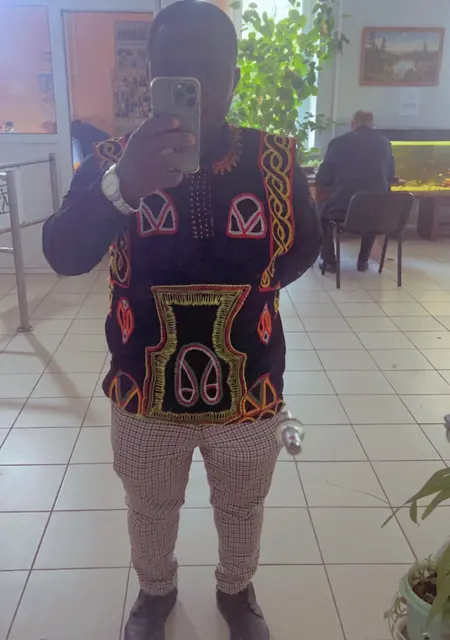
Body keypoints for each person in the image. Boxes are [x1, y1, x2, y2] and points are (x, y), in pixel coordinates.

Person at [42, 2, 321, 638]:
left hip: (251, 388)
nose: (194, 83)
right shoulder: (111, 160)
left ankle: (236, 589)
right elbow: (62, 253)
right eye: (175, 69)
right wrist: (122, 186)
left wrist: (258, 291)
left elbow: (305, 244)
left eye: (209, 69)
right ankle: (155, 593)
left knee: (243, 505)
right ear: (153, 78)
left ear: (235, 78)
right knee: (150, 507)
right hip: (144, 390)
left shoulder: (275, 159)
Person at [316, 110, 395, 272]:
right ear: (373, 125)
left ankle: (329, 262)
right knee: (371, 207)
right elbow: (390, 175)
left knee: (320, 213)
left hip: (343, 210)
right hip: (377, 211)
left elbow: (323, 178)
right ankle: (363, 261)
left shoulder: (338, 143)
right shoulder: (385, 143)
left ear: (353, 124)